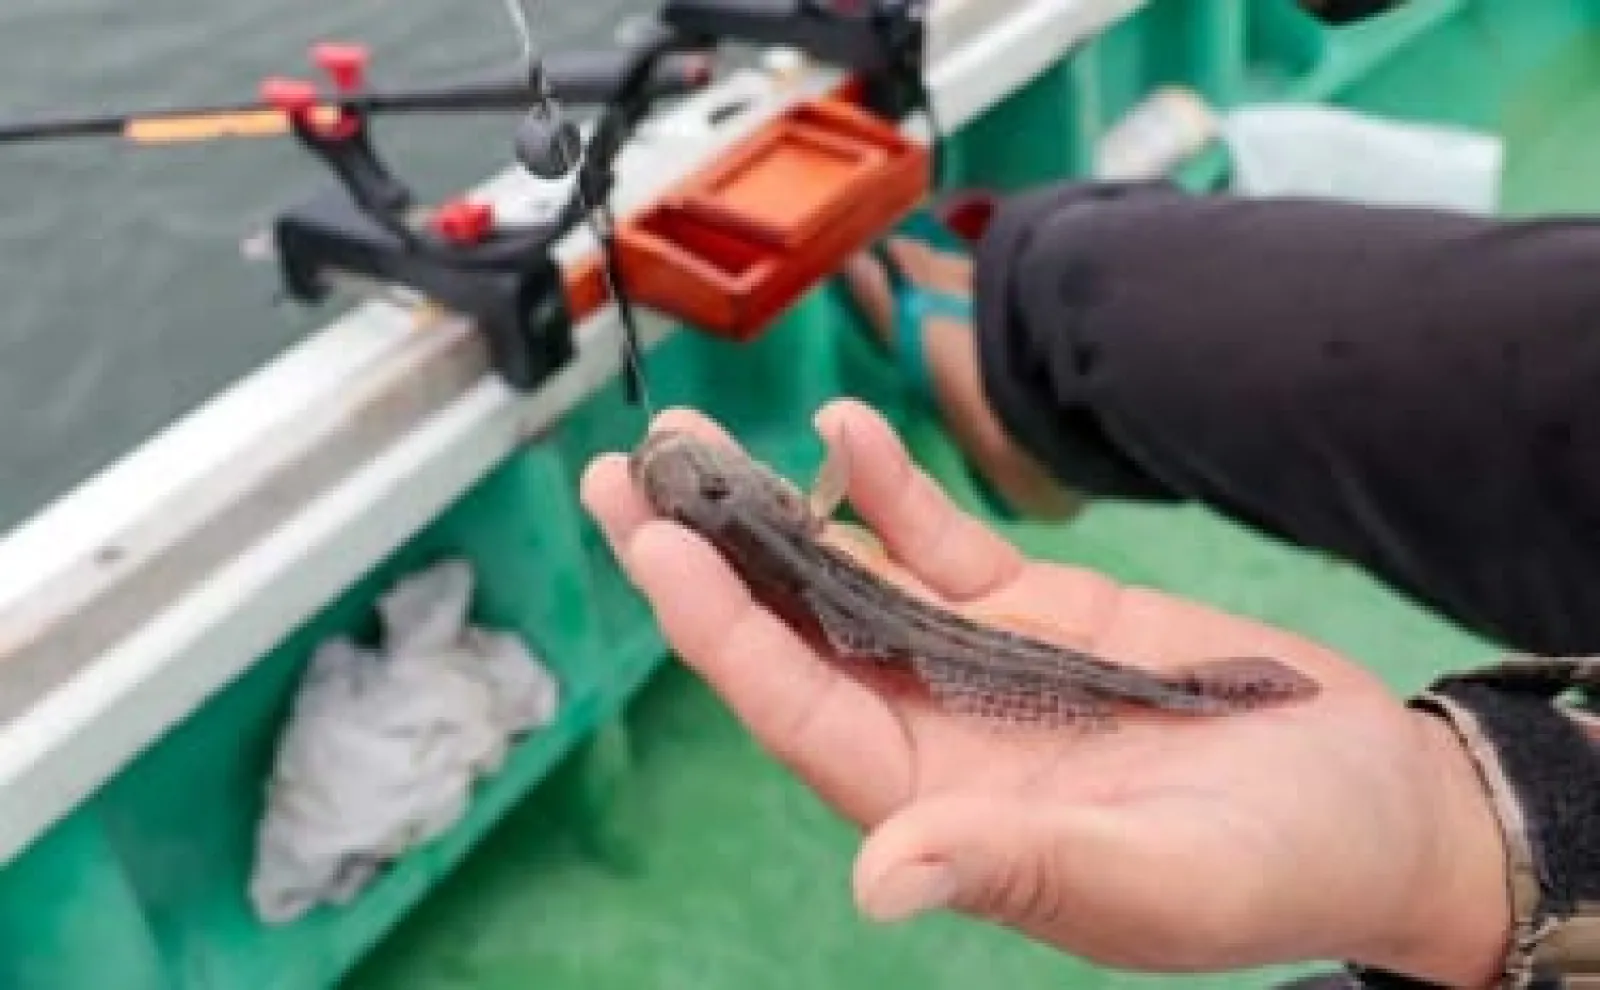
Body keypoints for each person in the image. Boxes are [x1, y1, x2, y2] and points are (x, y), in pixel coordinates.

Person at [582, 176, 1600, 990]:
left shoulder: (786, 540)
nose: (700, 476)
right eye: (711, 494)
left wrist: (1447, 861)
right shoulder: (797, 527)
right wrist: (1468, 831)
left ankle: (967, 367)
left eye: (707, 487)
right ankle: (992, 372)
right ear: (785, 501)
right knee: (1074, 275)